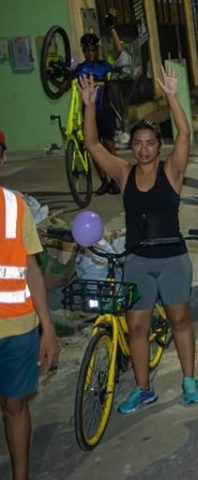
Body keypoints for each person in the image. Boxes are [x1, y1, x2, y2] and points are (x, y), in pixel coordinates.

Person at [78, 67, 198, 413]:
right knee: (137, 327)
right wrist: (90, 105)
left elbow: (185, 133)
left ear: (158, 147)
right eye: (137, 144)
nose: (144, 149)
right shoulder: (124, 173)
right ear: (130, 147)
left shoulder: (172, 170)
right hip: (137, 262)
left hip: (173, 258)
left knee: (179, 319)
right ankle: (143, 388)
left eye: (150, 143)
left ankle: (189, 380)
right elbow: (91, 144)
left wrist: (173, 95)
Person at [0, 130, 61, 480]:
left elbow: (31, 268)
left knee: (14, 405)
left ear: (3, 158)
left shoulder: (15, 207)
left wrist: (47, 327)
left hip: (18, 328)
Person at [74, 9, 124, 196]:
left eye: (94, 49)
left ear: (98, 48)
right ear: (84, 51)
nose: (91, 53)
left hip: (105, 112)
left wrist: (111, 27)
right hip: (89, 114)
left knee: (109, 146)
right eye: (87, 50)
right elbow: (62, 87)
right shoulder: (79, 68)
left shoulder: (105, 64)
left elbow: (118, 49)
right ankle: (103, 181)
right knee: (93, 147)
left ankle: (116, 179)